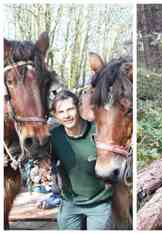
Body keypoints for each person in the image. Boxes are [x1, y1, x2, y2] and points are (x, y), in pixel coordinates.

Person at [49, 90, 113, 230]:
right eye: (61, 112)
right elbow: (43, 159)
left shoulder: (98, 132)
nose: (66, 115)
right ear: (55, 115)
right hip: (70, 202)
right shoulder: (54, 137)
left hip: (99, 202)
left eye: (70, 109)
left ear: (78, 108)